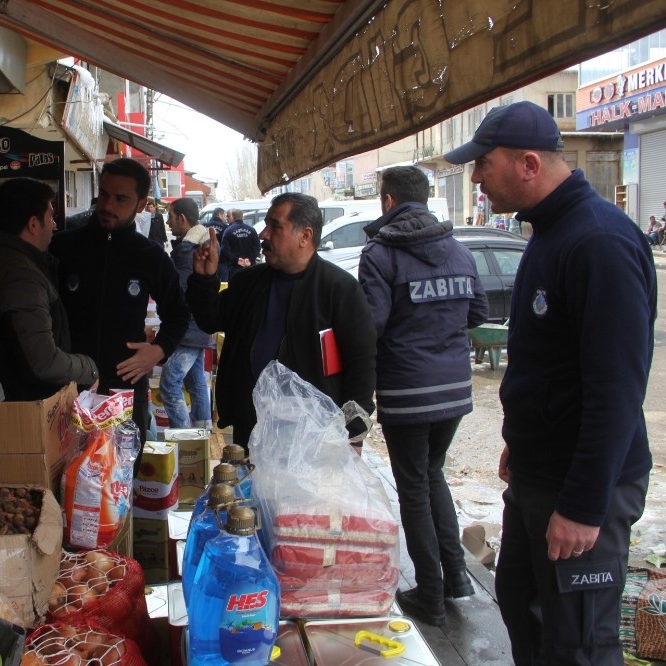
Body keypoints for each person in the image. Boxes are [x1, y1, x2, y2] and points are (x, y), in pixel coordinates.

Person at [445, 101, 655, 665]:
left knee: (577, 644)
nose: (476, 178)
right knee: (523, 609)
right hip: (541, 474)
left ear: (529, 164)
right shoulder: (550, 233)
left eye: (483, 164)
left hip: (581, 487)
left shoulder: (598, 241)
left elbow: (616, 390)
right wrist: (523, 441)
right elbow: (549, 363)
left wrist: (584, 505)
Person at [357, 166, 490, 626]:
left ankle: (430, 593)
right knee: (432, 475)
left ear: (388, 201)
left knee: (413, 487)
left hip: (407, 390)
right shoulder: (458, 249)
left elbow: (372, 325)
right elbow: (478, 311)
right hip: (453, 390)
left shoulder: (380, 254)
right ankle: (455, 578)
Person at [186, 192, 377, 448]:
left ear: (305, 236)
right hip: (251, 427)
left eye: (275, 226)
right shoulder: (248, 282)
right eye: (266, 224)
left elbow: (361, 364)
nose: (263, 234)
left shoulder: (339, 289)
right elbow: (210, 320)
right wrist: (204, 279)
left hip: (312, 436)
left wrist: (354, 435)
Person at [50, 158, 190, 446]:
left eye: (121, 199)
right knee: (66, 469)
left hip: (124, 390)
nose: (108, 205)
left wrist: (158, 350)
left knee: (122, 468)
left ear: (141, 204)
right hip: (66, 387)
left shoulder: (151, 256)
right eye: (104, 194)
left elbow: (178, 313)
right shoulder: (63, 247)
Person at [0, 177, 98, 402]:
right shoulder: (22, 278)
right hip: (19, 408)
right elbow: (44, 362)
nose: (54, 225)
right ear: (33, 224)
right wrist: (89, 368)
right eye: (50, 217)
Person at [160, 197, 213, 429]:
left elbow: (179, 291)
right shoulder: (199, 244)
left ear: (182, 218)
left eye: (170, 217)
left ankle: (183, 435)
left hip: (188, 328)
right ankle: (202, 429)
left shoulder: (187, 250)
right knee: (195, 380)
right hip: (197, 325)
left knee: (169, 383)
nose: (168, 223)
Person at [219, 208, 261, 278]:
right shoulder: (252, 230)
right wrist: (250, 259)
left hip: (235, 267)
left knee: (235, 283)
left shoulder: (228, 231)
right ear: (242, 217)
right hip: (250, 266)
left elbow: (225, 249)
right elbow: (257, 246)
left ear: (233, 216)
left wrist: (236, 260)